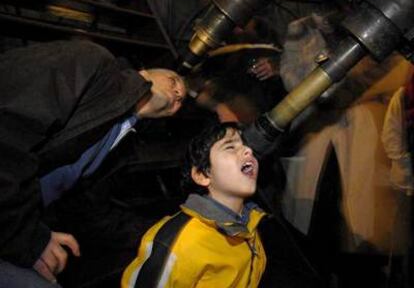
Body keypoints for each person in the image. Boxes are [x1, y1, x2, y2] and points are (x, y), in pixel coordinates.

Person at [0, 39, 186, 287]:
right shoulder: (91, 63)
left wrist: (165, 233)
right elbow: (8, 132)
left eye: (181, 100)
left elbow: (90, 212)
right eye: (174, 82)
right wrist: (26, 236)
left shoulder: (121, 147)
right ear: (149, 70)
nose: (176, 93)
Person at [121, 121, 267, 287]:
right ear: (202, 175)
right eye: (230, 147)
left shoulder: (249, 223)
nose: (248, 150)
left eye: (245, 145)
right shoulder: (178, 242)